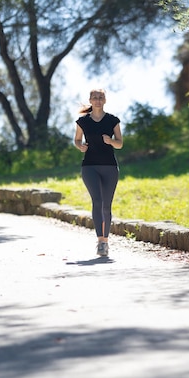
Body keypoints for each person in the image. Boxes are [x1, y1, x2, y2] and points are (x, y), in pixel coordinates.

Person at [74, 89, 123, 257]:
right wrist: (80, 146)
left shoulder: (112, 120)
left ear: (105, 100)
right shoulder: (83, 122)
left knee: (106, 205)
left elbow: (120, 144)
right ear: (90, 100)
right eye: (94, 98)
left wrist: (111, 141)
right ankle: (100, 242)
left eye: (100, 97)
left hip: (109, 166)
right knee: (97, 201)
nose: (97, 100)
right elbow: (77, 139)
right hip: (90, 167)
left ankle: (105, 241)